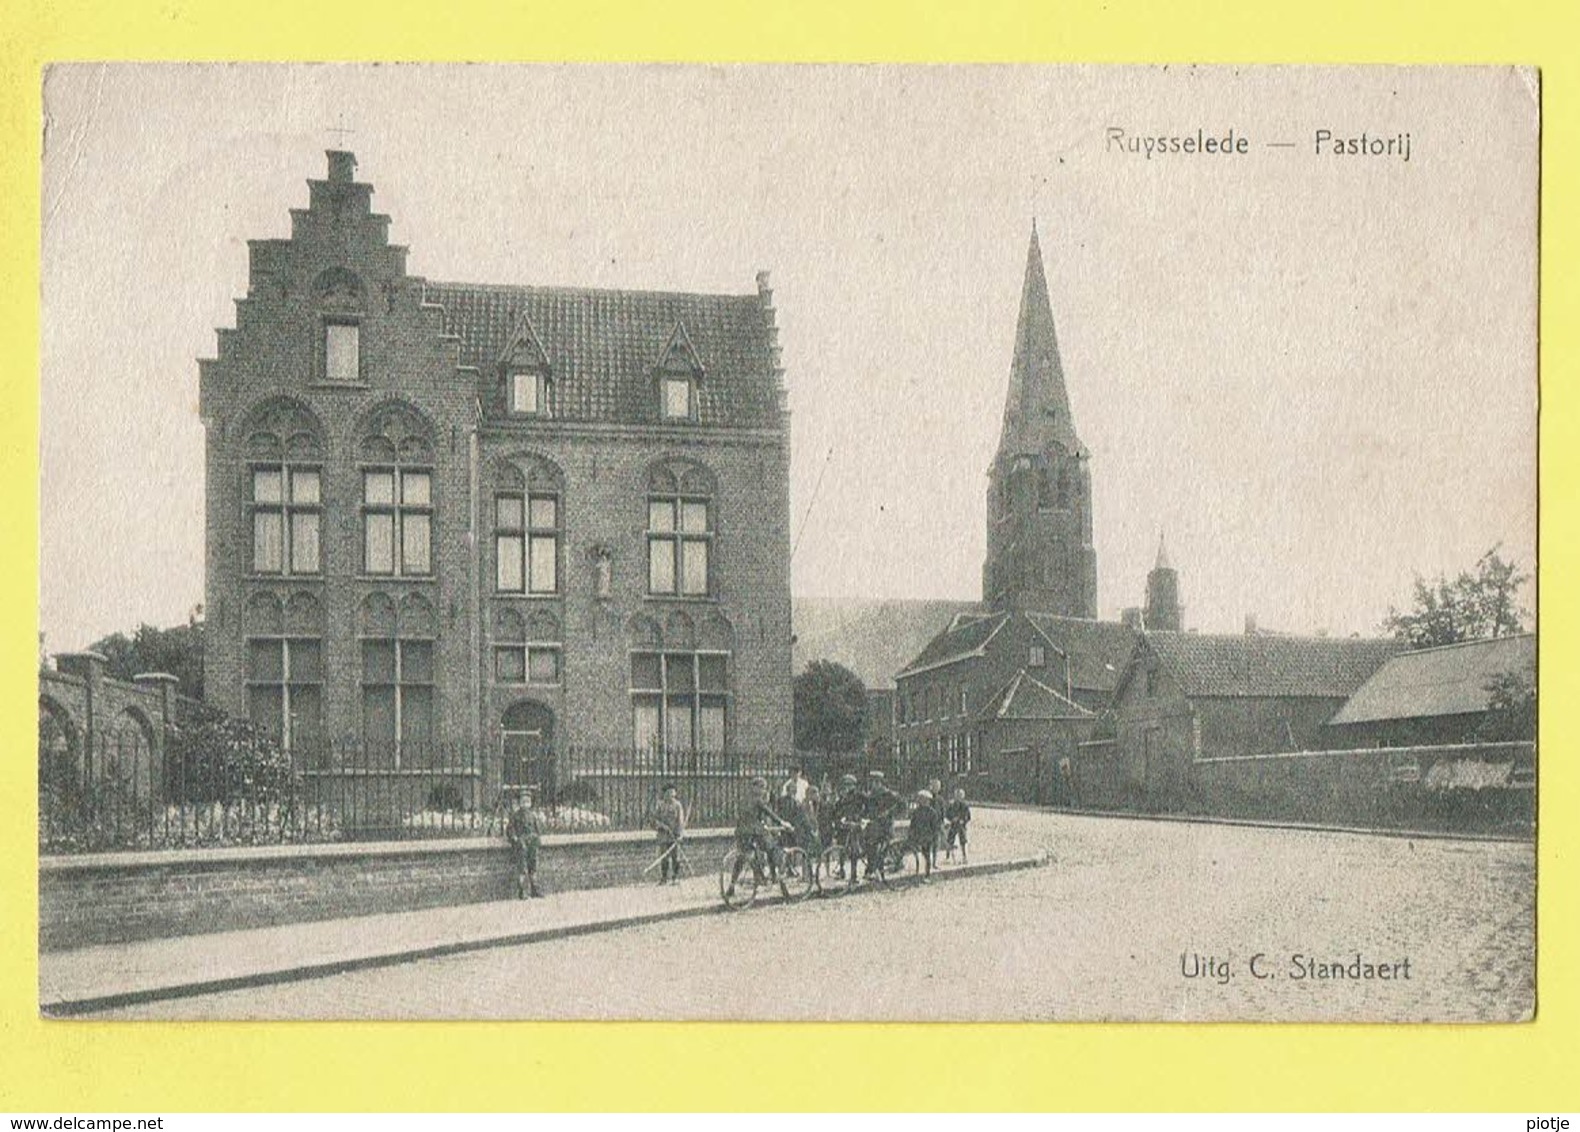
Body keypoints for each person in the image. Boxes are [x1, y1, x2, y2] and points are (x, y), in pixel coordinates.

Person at [725, 777, 793, 898]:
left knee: (742, 858)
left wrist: (761, 824)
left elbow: (749, 816)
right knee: (772, 849)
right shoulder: (758, 800)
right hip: (754, 832)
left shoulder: (743, 799)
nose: (763, 791)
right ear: (755, 788)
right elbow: (769, 813)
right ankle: (777, 875)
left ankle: (732, 886)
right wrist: (783, 823)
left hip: (741, 832)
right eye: (762, 788)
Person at [859, 769, 902, 879]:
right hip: (874, 825)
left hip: (885, 825)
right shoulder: (871, 795)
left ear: (879, 782)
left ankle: (872, 870)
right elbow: (867, 810)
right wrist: (861, 817)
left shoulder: (888, 794)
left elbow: (901, 805)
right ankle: (872, 868)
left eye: (874, 782)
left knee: (873, 844)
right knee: (867, 843)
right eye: (871, 782)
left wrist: (889, 813)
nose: (871, 785)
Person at [505, 788, 545, 898]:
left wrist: (537, 838)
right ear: (519, 803)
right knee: (522, 867)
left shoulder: (533, 816)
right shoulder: (515, 816)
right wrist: (515, 838)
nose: (525, 804)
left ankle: (534, 889)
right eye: (523, 801)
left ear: (530, 803)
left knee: (533, 866)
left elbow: (537, 829)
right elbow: (510, 829)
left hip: (532, 842)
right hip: (522, 843)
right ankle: (522, 891)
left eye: (528, 801)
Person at [828, 773, 864, 880]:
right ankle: (842, 870)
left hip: (854, 826)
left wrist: (859, 818)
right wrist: (837, 820)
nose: (846, 787)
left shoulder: (858, 796)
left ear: (853, 785)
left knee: (854, 851)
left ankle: (854, 875)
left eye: (849, 785)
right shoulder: (841, 799)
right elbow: (835, 812)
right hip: (843, 828)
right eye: (844, 785)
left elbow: (864, 808)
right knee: (841, 849)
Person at [649, 782, 687, 885]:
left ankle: (675, 878)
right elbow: (653, 820)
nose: (671, 795)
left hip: (674, 836)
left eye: (672, 793)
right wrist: (661, 826)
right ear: (665, 794)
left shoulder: (677, 805)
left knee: (676, 857)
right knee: (664, 858)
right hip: (663, 836)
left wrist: (679, 834)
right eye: (668, 793)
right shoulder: (660, 805)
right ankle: (664, 878)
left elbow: (680, 821)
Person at [906, 789, 942, 879]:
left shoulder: (932, 812)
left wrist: (933, 837)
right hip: (917, 835)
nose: (921, 801)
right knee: (905, 848)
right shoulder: (917, 811)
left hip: (927, 837)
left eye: (923, 800)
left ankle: (927, 875)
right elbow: (912, 823)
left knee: (926, 856)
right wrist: (910, 833)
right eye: (920, 800)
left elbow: (935, 827)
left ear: (928, 801)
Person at [945, 786, 972, 864]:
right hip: (954, 824)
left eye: (960, 796)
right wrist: (952, 818)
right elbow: (947, 814)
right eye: (957, 795)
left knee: (963, 841)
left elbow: (968, 817)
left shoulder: (965, 805)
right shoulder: (952, 805)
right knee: (950, 840)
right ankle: (948, 857)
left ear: (963, 796)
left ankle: (964, 857)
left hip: (961, 826)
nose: (958, 797)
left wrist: (963, 820)